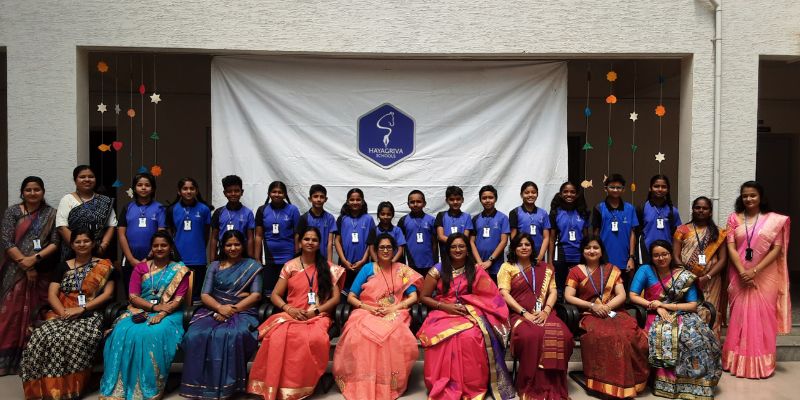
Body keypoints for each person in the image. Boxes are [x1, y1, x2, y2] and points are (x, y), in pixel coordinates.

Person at [248, 227, 345, 400]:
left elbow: (336, 299)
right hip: (292, 314)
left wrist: (316, 311)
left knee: (312, 338)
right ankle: (276, 384)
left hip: (318, 316)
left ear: (319, 244)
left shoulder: (329, 268)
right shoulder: (290, 266)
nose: (310, 242)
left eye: (314, 240)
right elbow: (275, 295)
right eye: (306, 239)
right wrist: (289, 309)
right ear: (300, 242)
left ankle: (300, 384)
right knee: (277, 337)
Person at [20, 228, 116, 400]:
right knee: (43, 335)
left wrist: (82, 309)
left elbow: (108, 294)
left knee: (71, 337)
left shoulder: (105, 265)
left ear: (93, 244)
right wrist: (63, 313)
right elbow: (52, 294)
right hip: (61, 313)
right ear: (71, 245)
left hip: (90, 314)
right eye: (78, 242)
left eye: (86, 241)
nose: (82, 244)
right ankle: (45, 389)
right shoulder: (62, 266)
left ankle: (70, 388)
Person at [416, 233, 514, 400]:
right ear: (448, 250)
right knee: (443, 337)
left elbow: (491, 297)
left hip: (469, 312)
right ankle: (447, 383)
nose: (457, 249)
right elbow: (423, 297)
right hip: (442, 311)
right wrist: (445, 306)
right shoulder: (437, 270)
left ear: (468, 250)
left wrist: (470, 306)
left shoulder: (476, 270)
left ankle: (471, 385)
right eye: (453, 247)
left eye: (461, 246)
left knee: (471, 336)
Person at [100, 231, 190, 399]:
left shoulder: (180, 270)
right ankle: (121, 387)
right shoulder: (140, 268)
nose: (159, 248)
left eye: (163, 245)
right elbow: (133, 296)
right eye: (156, 245)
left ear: (170, 247)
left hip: (170, 313)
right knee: (121, 331)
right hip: (140, 309)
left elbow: (178, 300)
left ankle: (149, 386)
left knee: (150, 333)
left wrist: (161, 314)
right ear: (151, 248)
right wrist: (153, 307)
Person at [333, 234, 423, 399]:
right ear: (375, 250)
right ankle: (363, 380)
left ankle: (387, 382)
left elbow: (413, 296)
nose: (385, 251)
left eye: (389, 247)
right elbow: (352, 296)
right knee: (358, 334)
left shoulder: (401, 269)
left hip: (395, 311)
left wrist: (394, 307)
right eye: (382, 247)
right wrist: (367, 307)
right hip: (367, 310)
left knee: (394, 335)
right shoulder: (367, 268)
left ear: (394, 250)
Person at [629, 240, 722, 399]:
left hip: (681, 312)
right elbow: (633, 295)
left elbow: (692, 305)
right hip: (653, 313)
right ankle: (665, 383)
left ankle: (697, 383)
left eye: (664, 254)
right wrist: (655, 306)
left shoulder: (683, 275)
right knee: (666, 334)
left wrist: (666, 306)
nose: (661, 258)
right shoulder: (645, 270)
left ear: (671, 255)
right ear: (651, 257)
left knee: (697, 338)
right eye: (656, 255)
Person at [180, 230, 263, 399]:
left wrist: (231, 310)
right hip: (213, 309)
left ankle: (230, 387)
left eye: (237, 244)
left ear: (243, 245)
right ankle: (200, 386)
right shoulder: (214, 266)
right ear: (222, 247)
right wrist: (219, 308)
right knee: (195, 335)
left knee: (232, 334)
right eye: (228, 245)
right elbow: (204, 295)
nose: (233, 248)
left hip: (242, 310)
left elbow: (256, 295)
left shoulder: (252, 266)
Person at [564, 236, 649, 398]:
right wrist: (592, 306)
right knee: (606, 335)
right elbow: (569, 296)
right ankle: (605, 383)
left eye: (596, 247)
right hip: (589, 314)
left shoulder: (612, 269)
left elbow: (622, 294)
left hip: (614, 312)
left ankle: (632, 381)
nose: (592, 251)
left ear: (602, 251)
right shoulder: (575, 271)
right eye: (587, 247)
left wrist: (607, 307)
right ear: (582, 251)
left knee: (630, 333)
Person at [723, 181, 791, 379]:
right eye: (745, 195)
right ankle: (734, 362)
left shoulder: (773, 220)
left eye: (753, 195)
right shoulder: (734, 218)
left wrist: (754, 271)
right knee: (738, 316)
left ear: (760, 197)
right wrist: (742, 272)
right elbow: (731, 247)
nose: (749, 199)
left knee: (763, 318)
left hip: (765, 275)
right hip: (738, 274)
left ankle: (761, 363)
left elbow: (776, 249)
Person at [498, 233, 573, 399]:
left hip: (544, 313)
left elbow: (553, 291)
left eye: (527, 244)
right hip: (518, 314)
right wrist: (524, 313)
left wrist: (546, 311)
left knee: (565, 336)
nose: (524, 247)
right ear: (514, 248)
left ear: (532, 248)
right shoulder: (507, 267)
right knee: (531, 336)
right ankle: (530, 383)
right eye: (520, 245)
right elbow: (504, 294)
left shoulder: (545, 268)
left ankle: (554, 384)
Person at [0, 177, 59, 376]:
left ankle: (30, 361)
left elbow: (55, 242)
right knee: (10, 313)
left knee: (36, 313)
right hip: (14, 271)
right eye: (28, 190)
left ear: (43, 192)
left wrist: (34, 259)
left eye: (36, 189)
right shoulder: (13, 212)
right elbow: (6, 241)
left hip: (41, 270)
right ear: (22, 192)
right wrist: (24, 264)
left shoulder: (51, 214)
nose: (33, 193)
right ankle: (5, 362)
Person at [672, 196, 728, 335]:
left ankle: (711, 342)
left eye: (705, 208)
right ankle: (691, 342)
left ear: (710, 211)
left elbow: (722, 259)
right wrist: (687, 276)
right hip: (687, 279)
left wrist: (707, 277)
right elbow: (675, 256)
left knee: (710, 310)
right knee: (691, 309)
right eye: (697, 207)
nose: (701, 210)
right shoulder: (682, 230)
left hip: (712, 281)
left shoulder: (718, 232)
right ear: (693, 209)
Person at [117, 172, 166, 295]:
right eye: (139, 185)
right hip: (130, 258)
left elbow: (161, 235)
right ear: (134, 188)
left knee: (151, 293)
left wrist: (148, 257)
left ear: (153, 188)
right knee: (131, 294)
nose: (143, 188)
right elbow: (121, 235)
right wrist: (131, 259)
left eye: (147, 185)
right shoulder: (127, 207)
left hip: (154, 258)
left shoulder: (160, 208)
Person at [56, 165, 117, 260]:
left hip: (98, 252)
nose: (87, 179)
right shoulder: (67, 199)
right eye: (82, 177)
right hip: (72, 254)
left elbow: (112, 225)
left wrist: (103, 246)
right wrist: (78, 247)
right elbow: (61, 227)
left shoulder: (105, 201)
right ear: (75, 180)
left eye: (91, 176)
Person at [166, 177, 212, 300]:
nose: (188, 191)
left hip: (198, 258)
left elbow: (206, 234)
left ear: (196, 191)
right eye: (185, 188)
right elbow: (169, 234)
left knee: (196, 296)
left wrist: (200, 248)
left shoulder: (204, 209)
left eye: (192, 188)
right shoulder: (172, 209)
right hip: (178, 259)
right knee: (178, 295)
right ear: (179, 191)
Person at [255, 181, 301, 294]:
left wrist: (298, 256)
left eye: (280, 192)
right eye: (274, 192)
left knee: (287, 291)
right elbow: (258, 235)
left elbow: (297, 235)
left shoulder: (293, 210)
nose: (277, 194)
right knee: (269, 291)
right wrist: (257, 258)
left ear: (285, 194)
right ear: (268, 193)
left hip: (288, 257)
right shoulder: (262, 210)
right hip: (269, 258)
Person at [548, 181, 590, 298]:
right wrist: (550, 261)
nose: (569, 194)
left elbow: (586, 237)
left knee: (578, 286)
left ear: (577, 194)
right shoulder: (555, 213)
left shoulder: (583, 212)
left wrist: (588, 257)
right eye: (565, 192)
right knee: (560, 288)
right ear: (561, 194)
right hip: (561, 253)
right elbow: (552, 238)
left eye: (572, 192)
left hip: (579, 253)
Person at [591, 174, 638, 279]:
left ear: (623, 190)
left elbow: (632, 234)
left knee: (623, 288)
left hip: (624, 260)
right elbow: (595, 234)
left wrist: (631, 257)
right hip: (604, 259)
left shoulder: (630, 208)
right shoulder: (599, 208)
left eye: (618, 187)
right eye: (612, 187)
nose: (615, 190)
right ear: (605, 189)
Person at [335, 188, 376, 291]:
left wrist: (363, 260)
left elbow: (371, 243)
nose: (355, 202)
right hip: (345, 263)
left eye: (358, 199)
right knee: (344, 291)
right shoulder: (342, 219)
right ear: (347, 202)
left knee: (361, 291)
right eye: (352, 199)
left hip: (363, 264)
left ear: (362, 201)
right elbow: (337, 241)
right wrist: (344, 260)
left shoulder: (369, 219)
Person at [637, 175, 682, 263]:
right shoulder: (642, 208)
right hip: (646, 253)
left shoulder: (673, 211)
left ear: (668, 190)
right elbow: (636, 233)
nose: (660, 189)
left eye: (664, 187)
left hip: (666, 255)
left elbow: (677, 236)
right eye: (656, 186)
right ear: (650, 188)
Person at [210, 175, 256, 260]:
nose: (233, 194)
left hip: (243, 256)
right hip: (223, 255)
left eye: (236, 191)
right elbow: (214, 238)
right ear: (224, 193)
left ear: (242, 192)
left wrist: (250, 259)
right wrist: (212, 260)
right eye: (229, 191)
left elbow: (250, 238)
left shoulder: (248, 213)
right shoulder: (218, 212)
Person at [470, 185, 510, 282]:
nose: (487, 200)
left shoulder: (503, 218)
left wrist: (490, 260)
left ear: (495, 199)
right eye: (484, 198)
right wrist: (480, 262)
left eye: (490, 197)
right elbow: (471, 242)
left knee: (496, 290)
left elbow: (504, 241)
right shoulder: (475, 218)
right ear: (480, 200)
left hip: (496, 266)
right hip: (478, 265)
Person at [397, 190, 438, 276]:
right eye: (412, 202)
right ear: (408, 204)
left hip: (429, 263)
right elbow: (400, 245)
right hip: (411, 264)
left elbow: (435, 243)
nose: (415, 204)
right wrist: (402, 263)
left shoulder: (431, 220)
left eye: (419, 201)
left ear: (424, 203)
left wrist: (435, 262)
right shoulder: (403, 220)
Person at [509, 181, 550, 263]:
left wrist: (541, 256)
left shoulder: (543, 213)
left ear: (537, 194)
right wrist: (517, 255)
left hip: (539, 257)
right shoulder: (515, 212)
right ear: (521, 195)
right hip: (521, 257)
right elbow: (513, 237)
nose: (530, 195)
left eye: (533, 192)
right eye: (527, 193)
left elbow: (546, 237)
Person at [295, 184, 338, 262]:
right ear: (310, 199)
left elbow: (330, 243)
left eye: (322, 197)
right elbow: (297, 240)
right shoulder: (304, 218)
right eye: (315, 196)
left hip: (323, 259)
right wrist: (298, 260)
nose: (319, 199)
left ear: (326, 199)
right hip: (307, 260)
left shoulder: (330, 218)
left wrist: (329, 262)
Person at [434, 186, 473, 257]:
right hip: (446, 255)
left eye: (458, 199)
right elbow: (440, 237)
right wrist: (457, 244)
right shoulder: (441, 215)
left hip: (461, 255)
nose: (455, 202)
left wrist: (455, 245)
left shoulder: (467, 217)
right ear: (447, 200)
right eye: (451, 199)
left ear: (462, 200)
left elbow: (465, 237)